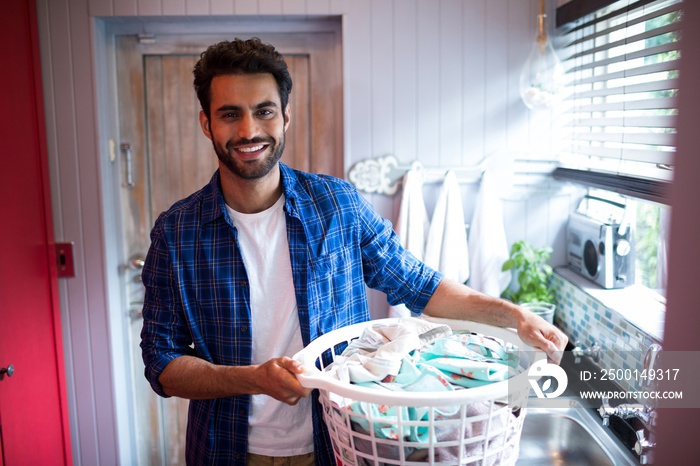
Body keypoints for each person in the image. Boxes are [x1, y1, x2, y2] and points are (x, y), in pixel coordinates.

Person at [140, 37, 568, 466]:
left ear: (285, 117)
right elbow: (162, 364)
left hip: (342, 443)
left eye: (264, 111)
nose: (249, 130)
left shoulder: (337, 206)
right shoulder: (177, 233)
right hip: (227, 450)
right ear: (206, 123)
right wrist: (253, 379)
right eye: (230, 114)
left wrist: (515, 316)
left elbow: (420, 286)